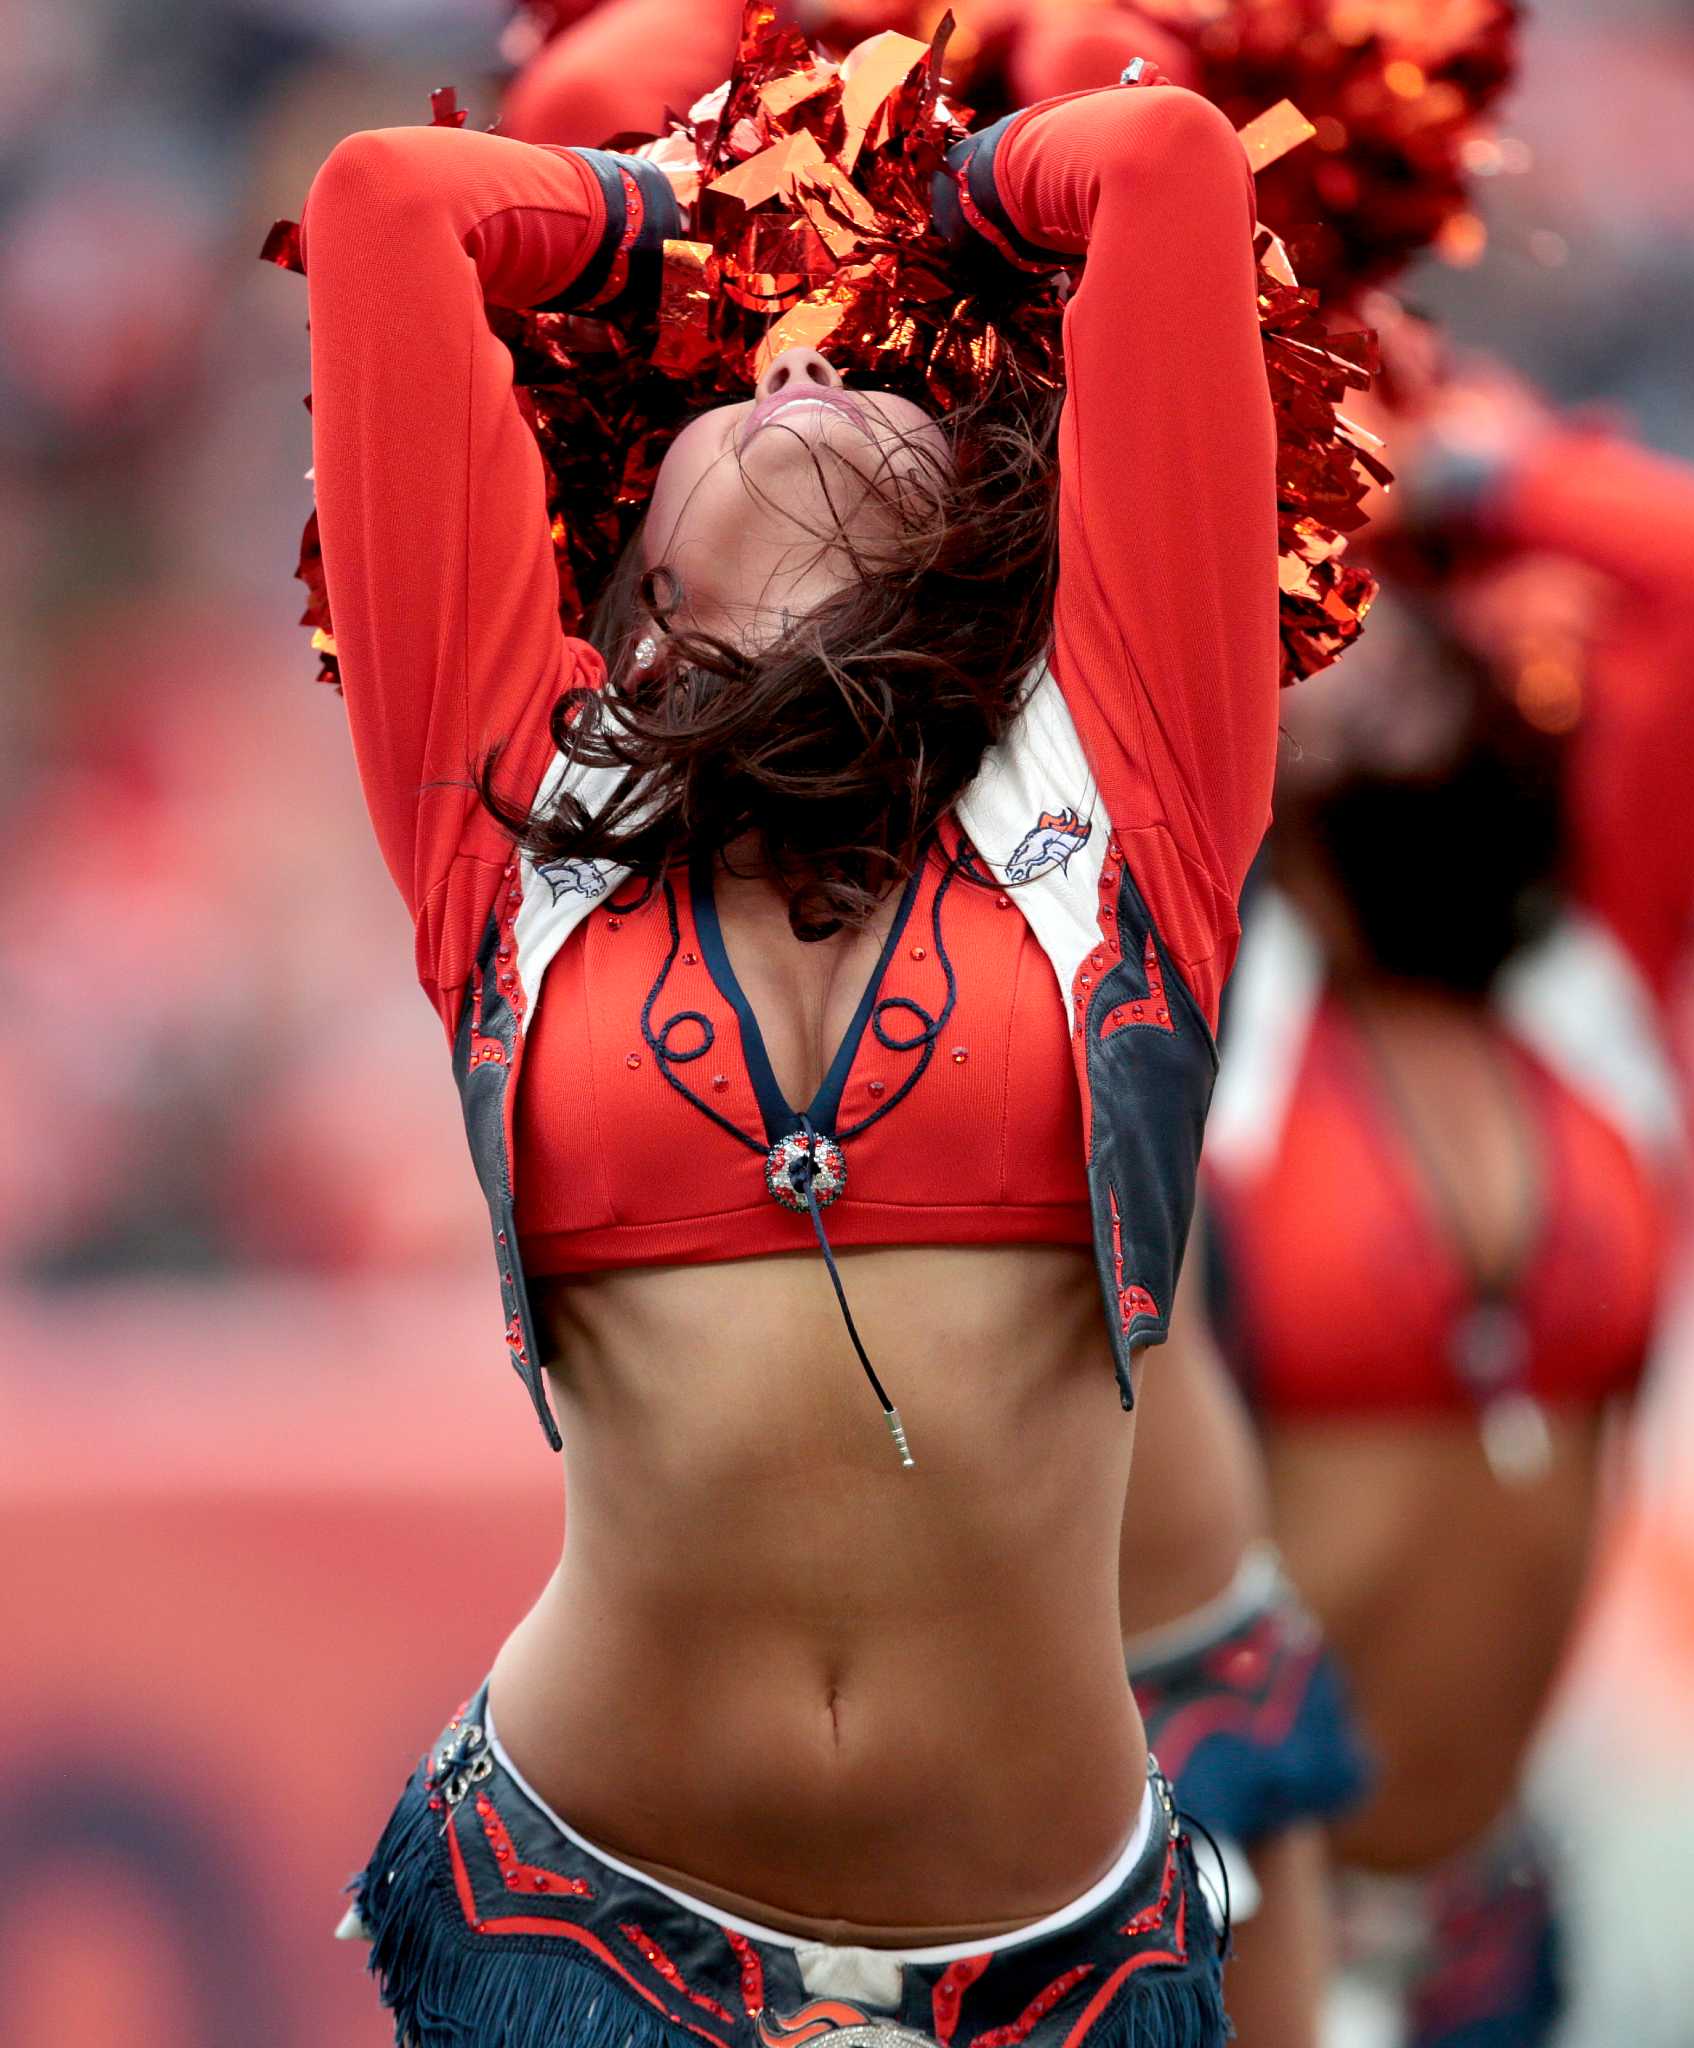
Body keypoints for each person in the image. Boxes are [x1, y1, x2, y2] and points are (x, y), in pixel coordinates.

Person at [291, 18, 1291, 2042]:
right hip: (579, 1918)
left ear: (986, 560)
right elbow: (391, 211)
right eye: (749, 385)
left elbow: (1166, 171)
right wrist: (679, 224)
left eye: (875, 381)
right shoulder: (518, 826)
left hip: (1053, 1969)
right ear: (634, 597)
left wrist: (937, 211)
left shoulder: (1125, 813)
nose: (809, 364)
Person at [1201, 351, 1694, 2046]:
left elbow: (1693, 569)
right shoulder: (1198, 1012)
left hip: (1496, 1942)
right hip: (1227, 1948)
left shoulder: (1591, 970)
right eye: (1316, 637)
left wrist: (1448, 478)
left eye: (1406, 620)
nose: (1372, 664)